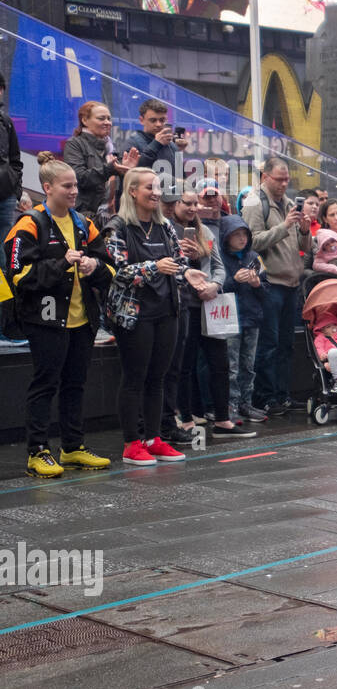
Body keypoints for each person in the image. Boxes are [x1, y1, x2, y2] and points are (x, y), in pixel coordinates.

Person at [3, 155, 114, 477]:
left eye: (76, 185)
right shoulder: (29, 223)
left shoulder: (84, 223)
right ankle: (37, 451)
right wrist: (62, 263)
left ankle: (73, 447)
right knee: (45, 383)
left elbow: (109, 267)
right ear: (47, 187)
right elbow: (18, 276)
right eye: (68, 185)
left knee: (75, 384)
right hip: (46, 320)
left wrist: (95, 267)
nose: (74, 191)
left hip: (83, 319)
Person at [104, 168, 209, 466]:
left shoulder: (165, 228)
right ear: (133, 191)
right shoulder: (118, 228)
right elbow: (116, 273)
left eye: (158, 187)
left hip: (167, 311)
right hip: (134, 315)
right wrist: (153, 267)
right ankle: (131, 443)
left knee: (158, 379)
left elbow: (174, 264)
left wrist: (188, 271)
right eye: (149, 187)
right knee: (134, 378)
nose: (156, 192)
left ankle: (153, 438)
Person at [171, 190, 254, 438]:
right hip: (184, 305)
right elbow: (170, 267)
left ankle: (222, 419)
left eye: (195, 203)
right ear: (175, 204)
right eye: (187, 203)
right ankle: (185, 418)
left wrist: (214, 286)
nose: (192, 208)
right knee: (185, 365)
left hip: (210, 305)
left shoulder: (205, 232)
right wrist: (189, 264)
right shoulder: (168, 231)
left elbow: (219, 268)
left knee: (220, 363)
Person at [243, 155, 310, 415]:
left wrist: (304, 230)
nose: (283, 184)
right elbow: (252, 243)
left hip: (291, 282)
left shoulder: (290, 203)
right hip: (270, 284)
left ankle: (282, 395)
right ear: (265, 177)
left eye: (286, 180)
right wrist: (284, 227)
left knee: (286, 345)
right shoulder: (254, 203)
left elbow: (304, 248)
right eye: (278, 179)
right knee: (268, 345)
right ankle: (265, 397)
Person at [218, 214, 267, 424]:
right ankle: (231, 406)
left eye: (244, 234)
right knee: (231, 366)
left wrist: (257, 285)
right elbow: (217, 288)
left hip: (252, 319)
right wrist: (233, 281)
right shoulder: (220, 257)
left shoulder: (254, 257)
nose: (241, 239)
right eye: (236, 235)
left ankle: (246, 403)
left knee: (248, 365)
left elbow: (266, 291)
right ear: (226, 237)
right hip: (230, 319)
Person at [62, 101, 140, 216]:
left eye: (109, 118)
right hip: (85, 217)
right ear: (84, 120)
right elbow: (79, 178)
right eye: (101, 118)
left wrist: (126, 171)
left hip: (112, 217)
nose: (107, 122)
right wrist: (110, 169)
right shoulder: (74, 144)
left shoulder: (110, 147)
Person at [125, 99, 178, 189]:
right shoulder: (133, 142)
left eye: (162, 120)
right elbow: (131, 175)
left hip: (168, 198)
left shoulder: (172, 145)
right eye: (153, 120)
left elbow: (179, 176)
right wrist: (156, 144)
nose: (158, 124)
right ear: (141, 120)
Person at [0, 73, 23, 238]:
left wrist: (15, 191)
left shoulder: (6, 122)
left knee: (5, 245)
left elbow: (15, 160)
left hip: (5, 195)